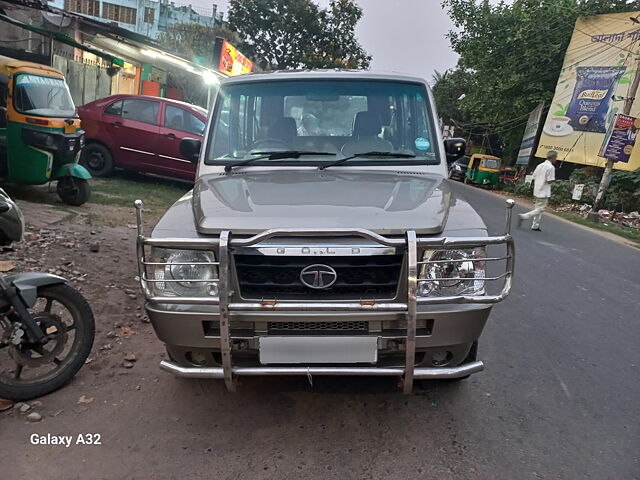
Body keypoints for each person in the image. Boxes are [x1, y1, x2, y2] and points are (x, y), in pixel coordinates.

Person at [517, 150, 557, 231]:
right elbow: (549, 180)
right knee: (541, 209)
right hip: (544, 192)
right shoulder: (551, 167)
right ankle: (524, 216)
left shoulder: (539, 166)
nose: (556, 160)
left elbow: (534, 176)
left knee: (537, 208)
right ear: (552, 158)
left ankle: (535, 225)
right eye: (555, 158)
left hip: (537, 190)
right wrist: (554, 180)